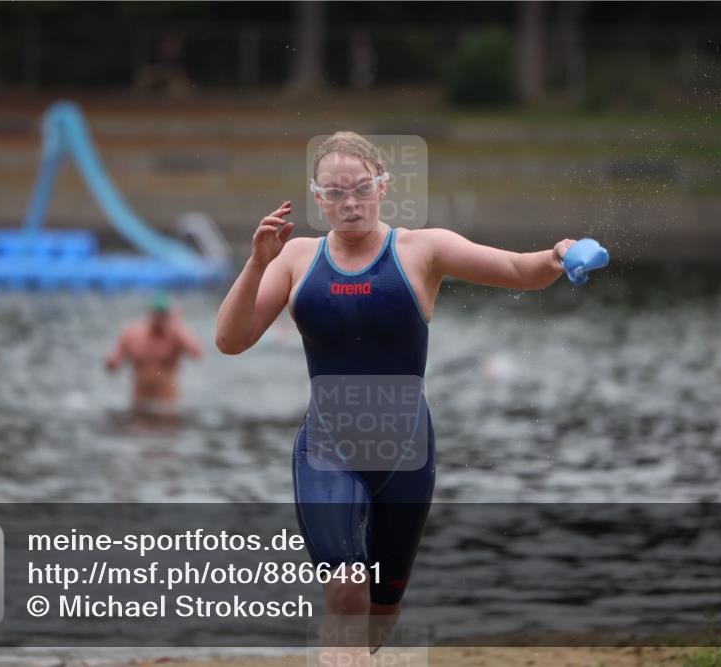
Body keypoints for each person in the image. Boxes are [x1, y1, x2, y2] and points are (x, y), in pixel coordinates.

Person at [215, 131, 575, 666]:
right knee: (345, 589)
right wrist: (256, 264)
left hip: (407, 456)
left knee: (381, 610)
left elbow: (520, 270)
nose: (350, 203)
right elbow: (230, 340)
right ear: (318, 198)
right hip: (327, 451)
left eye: (360, 188)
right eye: (335, 193)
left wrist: (558, 254)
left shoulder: (421, 250)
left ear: (383, 187)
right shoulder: (295, 257)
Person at [107, 293, 203, 417]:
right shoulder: (133, 334)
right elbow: (113, 363)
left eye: (163, 314)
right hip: (139, 404)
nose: (159, 317)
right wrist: (110, 362)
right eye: (156, 313)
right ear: (149, 313)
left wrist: (177, 327)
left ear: (169, 315)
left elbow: (197, 353)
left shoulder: (176, 335)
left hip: (167, 406)